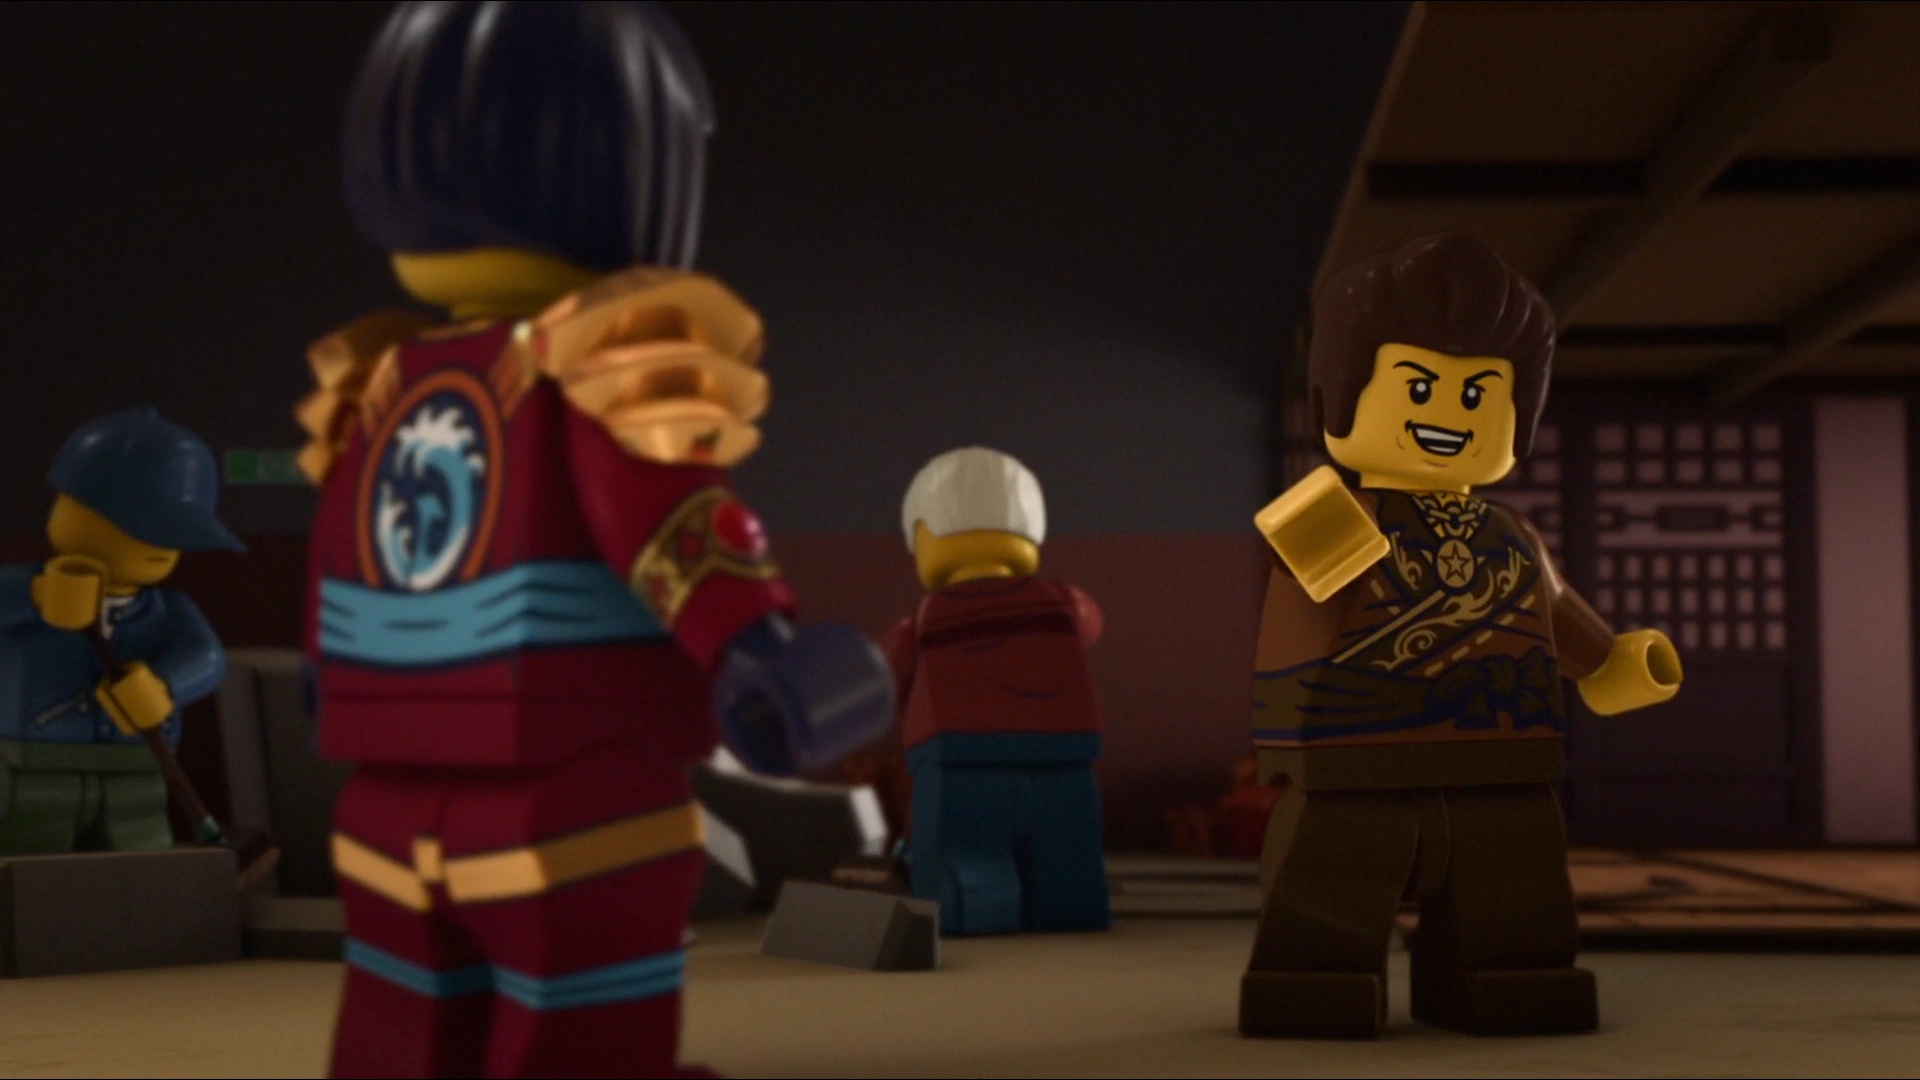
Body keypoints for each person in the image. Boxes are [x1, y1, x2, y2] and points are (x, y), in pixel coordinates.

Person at [297, 5, 892, 1075]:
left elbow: (344, 559)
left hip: (386, 795)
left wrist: (327, 681)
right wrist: (760, 650)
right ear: (641, 172)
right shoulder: (593, 362)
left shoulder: (380, 385)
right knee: (577, 1019)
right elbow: (668, 524)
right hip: (570, 789)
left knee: (402, 1023)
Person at [1240, 234, 1684, 1039]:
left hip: (1501, 758)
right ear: (1341, 392)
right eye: (1418, 387)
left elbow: (1555, 613)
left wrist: (1614, 664)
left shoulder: (1511, 535)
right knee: (1329, 897)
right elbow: (1308, 583)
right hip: (1355, 760)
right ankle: (1315, 984)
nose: (1449, 413)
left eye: (1479, 394)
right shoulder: (1327, 512)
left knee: (1513, 900)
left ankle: (1508, 980)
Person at [886, 447, 1109, 936]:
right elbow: (1090, 626)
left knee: (964, 858)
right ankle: (1068, 905)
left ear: (925, 535)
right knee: (1066, 858)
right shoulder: (1064, 601)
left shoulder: (923, 619)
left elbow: (892, 669)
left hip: (958, 761)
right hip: (1063, 754)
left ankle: (974, 910)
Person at [0, 407, 237, 854]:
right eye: (143, 528)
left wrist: (165, 684)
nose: (158, 547)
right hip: (32, 763)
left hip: (135, 764)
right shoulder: (26, 589)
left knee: (137, 861)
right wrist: (36, 595)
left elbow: (207, 658)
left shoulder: (165, 610)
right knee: (31, 866)